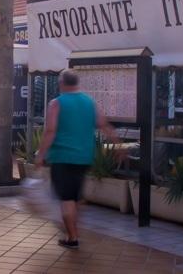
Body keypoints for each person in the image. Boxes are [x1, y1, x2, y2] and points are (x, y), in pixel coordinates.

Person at [36, 69, 120, 250]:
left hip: (62, 157)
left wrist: (41, 154)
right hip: (84, 157)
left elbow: (50, 131)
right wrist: (118, 145)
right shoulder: (90, 102)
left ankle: (72, 237)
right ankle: (73, 227)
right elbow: (103, 124)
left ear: (62, 84)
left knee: (66, 199)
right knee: (75, 197)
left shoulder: (56, 103)